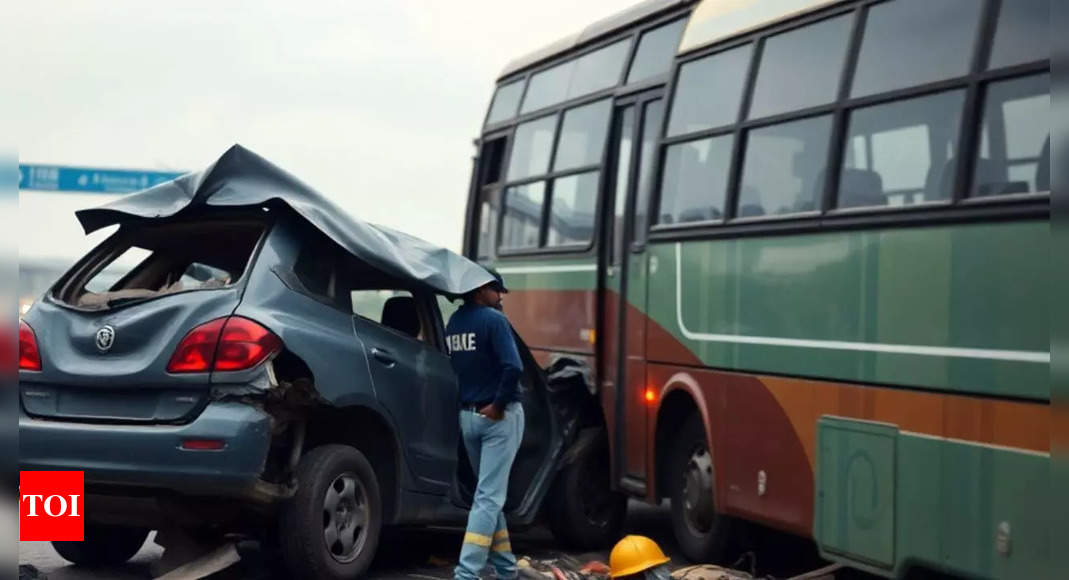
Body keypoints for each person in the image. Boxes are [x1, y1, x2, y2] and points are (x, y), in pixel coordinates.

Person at [446, 268, 525, 580]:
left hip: (468, 418)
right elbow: (514, 367)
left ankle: (507, 570)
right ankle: (466, 574)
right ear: (480, 290)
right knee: (489, 499)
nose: (500, 295)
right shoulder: (495, 321)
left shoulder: (454, 323)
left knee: (488, 496)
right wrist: (499, 404)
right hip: (497, 418)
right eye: (496, 289)